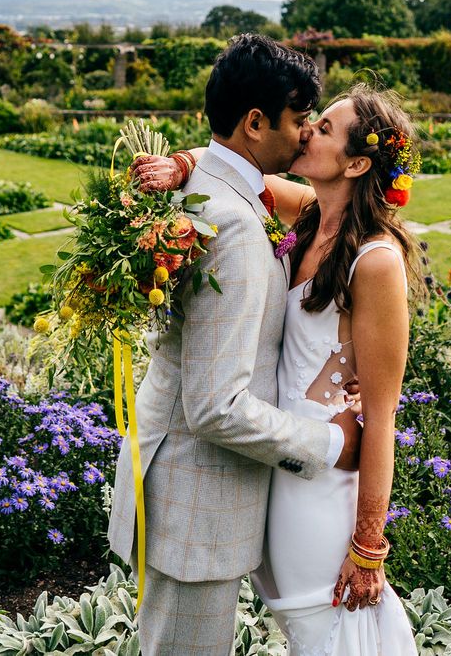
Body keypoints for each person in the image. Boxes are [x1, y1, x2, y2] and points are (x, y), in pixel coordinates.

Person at [136, 82, 421, 655]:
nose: (307, 129)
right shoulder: (310, 213)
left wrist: (368, 546)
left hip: (323, 480)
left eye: (324, 128)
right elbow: (234, 169)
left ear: (358, 162)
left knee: (324, 629)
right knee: (298, 627)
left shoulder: (377, 261)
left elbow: (382, 416)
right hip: (273, 457)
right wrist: (180, 162)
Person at [107, 33, 363, 656]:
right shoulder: (240, 230)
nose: (306, 134)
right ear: (255, 123)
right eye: (300, 119)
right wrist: (332, 444)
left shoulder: (207, 192)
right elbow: (218, 406)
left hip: (177, 488)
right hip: (197, 505)